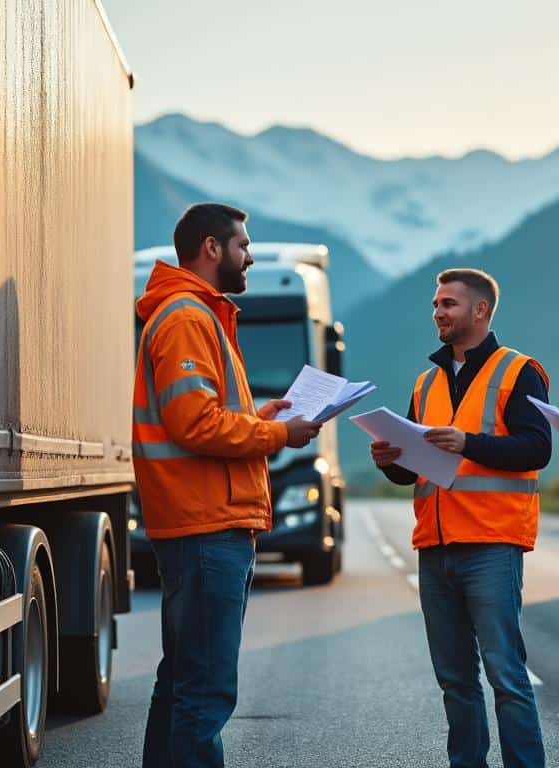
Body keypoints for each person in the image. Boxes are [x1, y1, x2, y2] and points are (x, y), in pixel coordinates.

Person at [132, 203, 322, 767]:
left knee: (182, 679)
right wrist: (279, 434)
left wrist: (260, 417)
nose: (250, 256)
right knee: (205, 688)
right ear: (212, 248)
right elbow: (196, 424)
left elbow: (204, 415)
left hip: (200, 521)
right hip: (205, 525)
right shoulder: (188, 318)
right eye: (243, 245)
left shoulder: (194, 314)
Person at [370, 268, 551, 768]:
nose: (438, 313)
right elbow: (411, 471)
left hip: (492, 545)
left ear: (480, 310)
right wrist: (389, 461)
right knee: (455, 681)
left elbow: (537, 448)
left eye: (448, 304)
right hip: (434, 546)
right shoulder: (426, 382)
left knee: (506, 675)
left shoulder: (519, 371)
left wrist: (468, 443)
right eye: (435, 305)